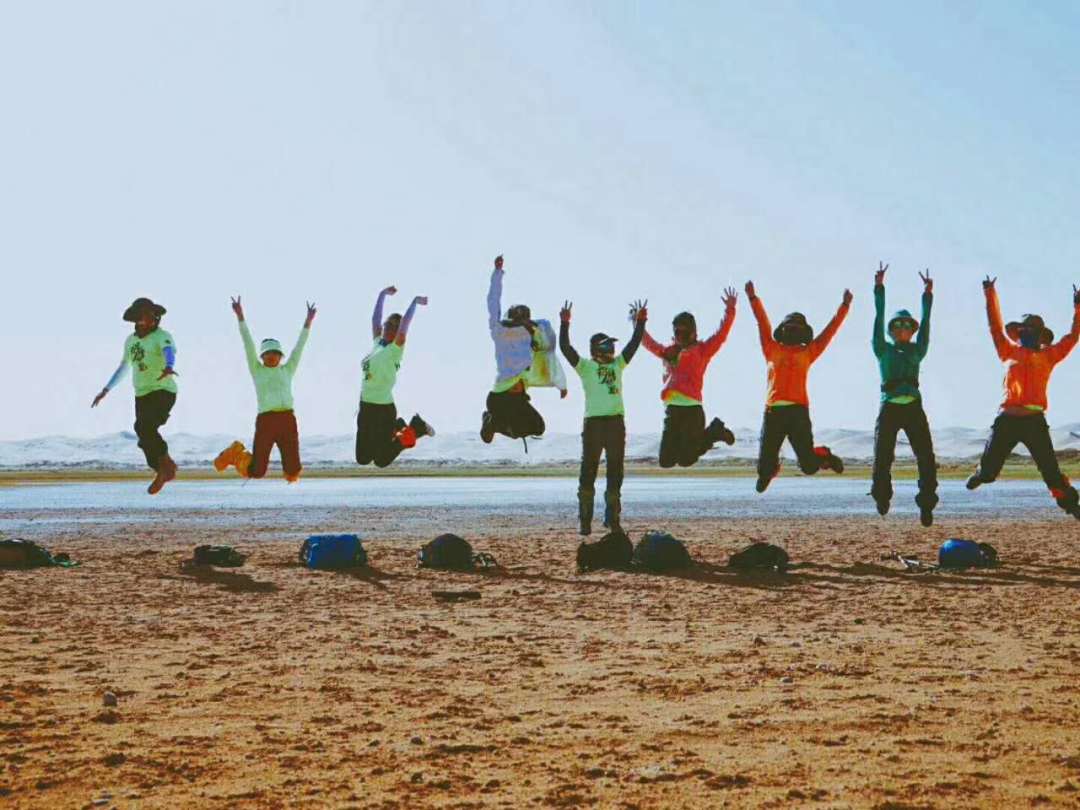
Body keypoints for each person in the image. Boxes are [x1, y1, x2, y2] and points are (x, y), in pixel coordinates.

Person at [966, 277, 1080, 519]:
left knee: (1051, 472)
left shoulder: (1049, 355)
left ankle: (1071, 505)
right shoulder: (1008, 351)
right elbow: (995, 327)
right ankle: (981, 473)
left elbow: (1072, 337)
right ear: (1019, 333)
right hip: (1007, 419)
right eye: (1024, 330)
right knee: (989, 472)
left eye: (1033, 331)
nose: (1028, 334)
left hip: (1034, 421)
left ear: (1040, 336)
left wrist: (1078, 308)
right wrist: (990, 293)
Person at [746, 281, 850, 492]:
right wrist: (753, 299)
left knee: (809, 467)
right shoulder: (771, 348)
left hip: (798, 412)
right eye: (789, 327)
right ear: (783, 330)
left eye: (796, 328)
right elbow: (762, 323)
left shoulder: (808, 352)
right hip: (773, 412)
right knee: (763, 470)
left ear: (803, 333)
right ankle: (770, 470)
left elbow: (829, 332)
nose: (792, 331)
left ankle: (824, 455)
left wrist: (844, 307)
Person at [560, 298, 647, 535]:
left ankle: (612, 518)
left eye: (611, 345)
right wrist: (565, 323)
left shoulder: (618, 365)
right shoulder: (585, 367)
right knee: (588, 471)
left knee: (615, 471)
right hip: (594, 424)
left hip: (616, 423)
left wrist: (641, 322)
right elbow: (566, 348)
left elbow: (633, 344)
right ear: (596, 349)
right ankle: (585, 520)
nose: (611, 349)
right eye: (606, 346)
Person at [214, 297, 316, 482]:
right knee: (257, 471)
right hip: (266, 421)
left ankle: (290, 471)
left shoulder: (287, 369)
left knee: (293, 471)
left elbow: (299, 347)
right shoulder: (257, 370)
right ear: (262, 356)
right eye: (268, 353)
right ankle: (234, 454)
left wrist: (308, 322)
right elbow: (248, 344)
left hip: (287, 420)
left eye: (275, 353)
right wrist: (240, 317)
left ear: (280, 356)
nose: (271, 356)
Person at [870, 263, 938, 526]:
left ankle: (927, 504)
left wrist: (927, 294)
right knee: (882, 458)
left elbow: (927, 322)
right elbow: (878, 318)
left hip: (913, 408)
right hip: (889, 408)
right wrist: (879, 288)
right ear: (891, 330)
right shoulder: (882, 349)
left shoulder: (917, 351)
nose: (902, 328)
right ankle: (881, 496)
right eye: (897, 325)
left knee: (926, 457)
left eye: (907, 325)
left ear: (912, 330)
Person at [640, 289, 739, 468]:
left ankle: (715, 432)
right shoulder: (668, 352)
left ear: (693, 333)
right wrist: (638, 322)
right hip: (672, 411)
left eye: (684, 333)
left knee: (686, 460)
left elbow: (721, 335)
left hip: (692, 411)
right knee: (666, 461)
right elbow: (647, 343)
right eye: (677, 332)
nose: (680, 337)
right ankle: (709, 435)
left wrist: (730, 310)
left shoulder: (702, 350)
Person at [91, 297, 179, 495]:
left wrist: (169, 366)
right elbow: (124, 366)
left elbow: (168, 351)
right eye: (142, 317)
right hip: (141, 394)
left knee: (145, 426)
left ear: (155, 318)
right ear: (136, 319)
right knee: (142, 431)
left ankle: (166, 466)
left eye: (150, 316)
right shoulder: (131, 341)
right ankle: (162, 469)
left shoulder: (162, 336)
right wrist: (106, 389)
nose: (146, 320)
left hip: (163, 391)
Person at [480, 254, 567, 448]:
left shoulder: (530, 336)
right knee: (520, 429)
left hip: (516, 400)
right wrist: (497, 273)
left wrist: (560, 384)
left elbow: (549, 355)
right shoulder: (499, 331)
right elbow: (493, 301)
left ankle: (495, 423)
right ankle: (492, 422)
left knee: (538, 427)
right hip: (500, 398)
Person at [355, 286, 435, 467]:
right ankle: (398, 426)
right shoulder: (377, 344)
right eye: (387, 324)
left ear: (398, 332)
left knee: (381, 460)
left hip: (383, 410)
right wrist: (381, 295)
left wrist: (414, 303)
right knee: (363, 458)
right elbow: (375, 319)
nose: (387, 328)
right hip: (365, 407)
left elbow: (405, 325)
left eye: (392, 326)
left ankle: (415, 428)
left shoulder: (395, 350)